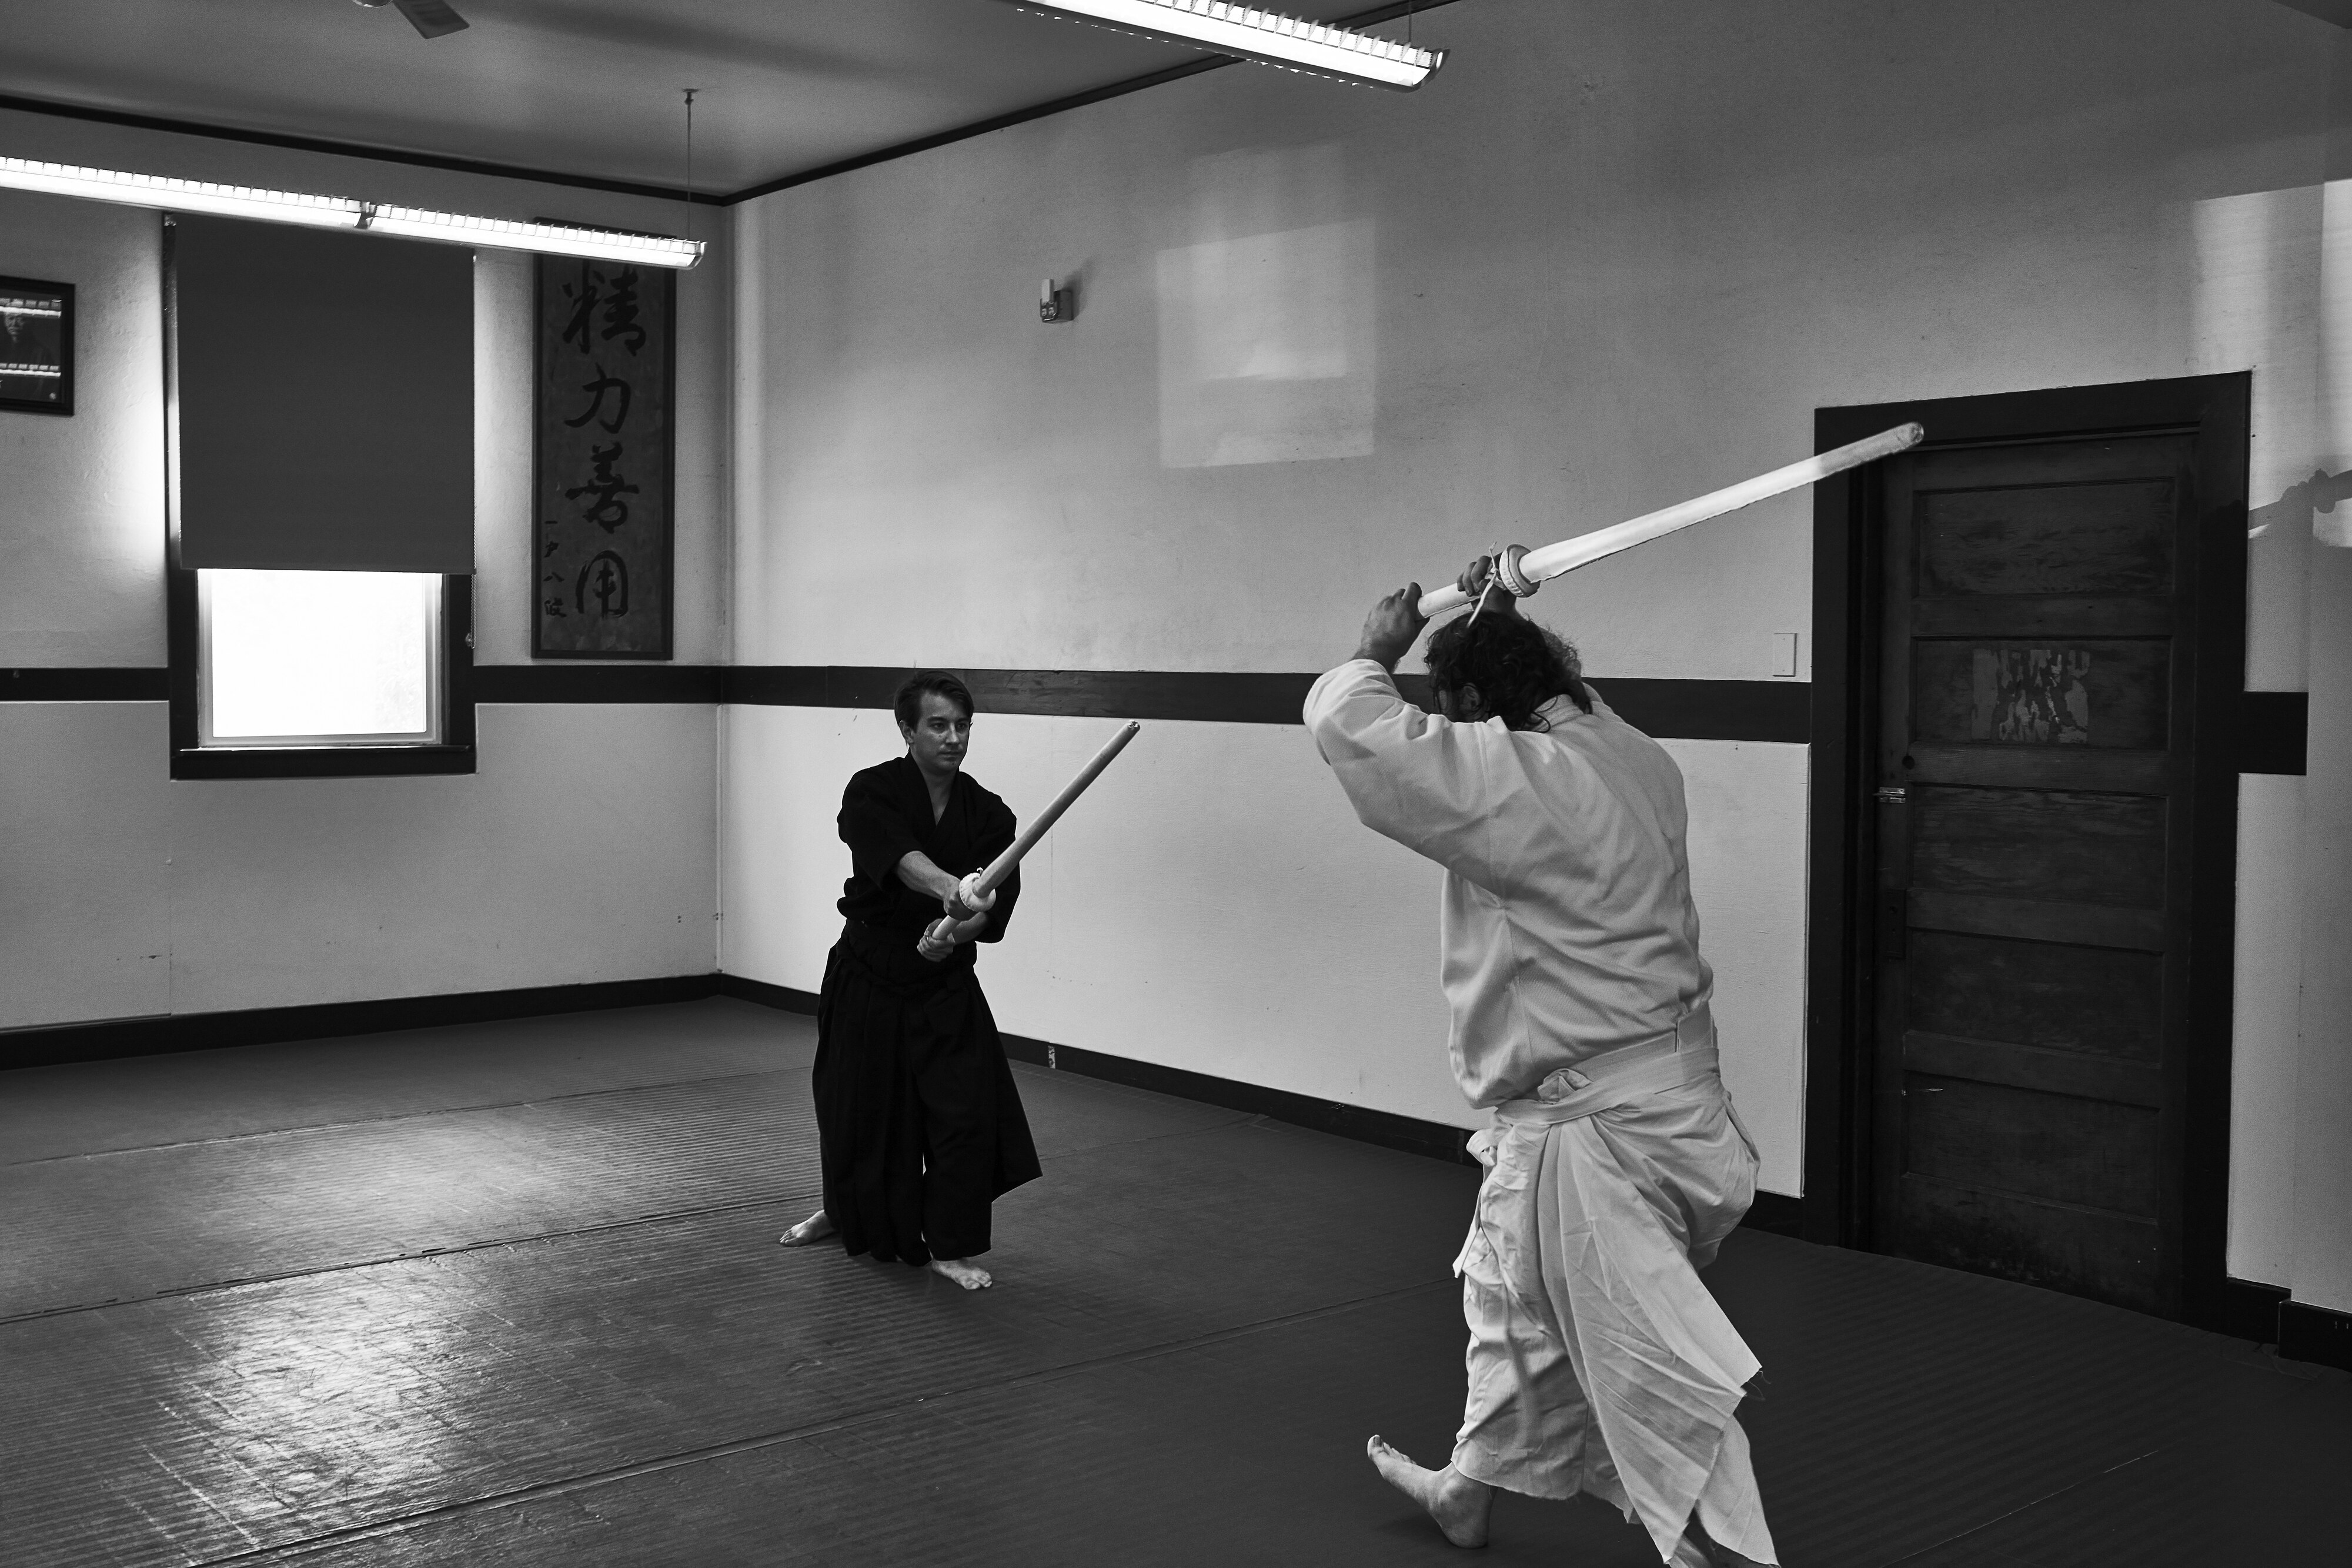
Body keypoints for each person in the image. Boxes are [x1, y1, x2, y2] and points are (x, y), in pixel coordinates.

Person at [1303, 561, 1777, 1567]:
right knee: (1518, 1307)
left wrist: (1378, 647)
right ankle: (1466, 1490)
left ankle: (1712, 1545)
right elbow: (1564, 698)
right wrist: (1498, 616)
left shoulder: (1522, 781)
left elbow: (1353, 725)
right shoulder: (1634, 754)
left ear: (1477, 701)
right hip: (1678, 1109)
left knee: (1639, 1351)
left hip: (1594, 1126)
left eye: (1456, 705)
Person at [777, 670, 1042, 1290]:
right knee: (854, 1108)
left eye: (962, 726)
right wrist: (950, 889)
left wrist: (957, 930)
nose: (953, 738)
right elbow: (895, 854)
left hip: (942, 980)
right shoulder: (872, 789)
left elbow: (993, 908)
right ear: (907, 729)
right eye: (938, 725)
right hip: (869, 968)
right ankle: (842, 1212)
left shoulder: (990, 813)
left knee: (965, 1113)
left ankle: (949, 1245)